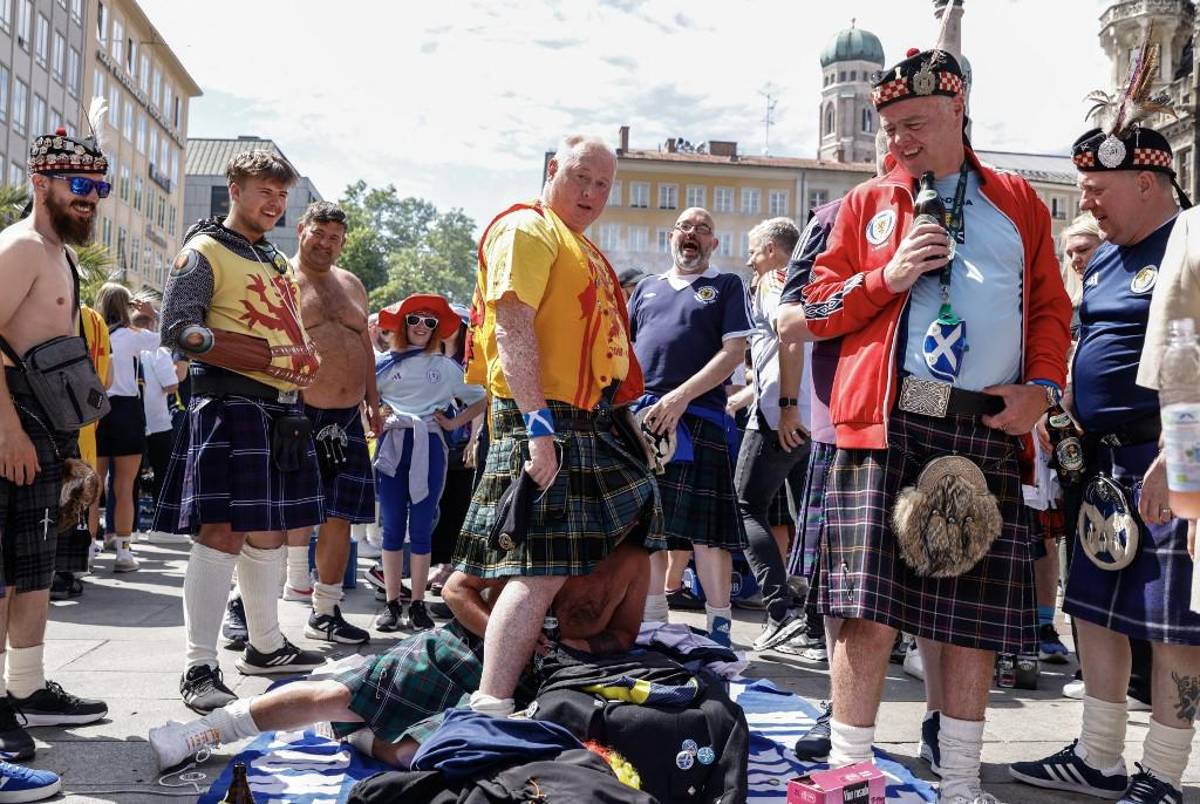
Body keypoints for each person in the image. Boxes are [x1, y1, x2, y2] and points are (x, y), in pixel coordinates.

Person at [800, 48, 1071, 803]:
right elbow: (817, 311)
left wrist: (1043, 388)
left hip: (983, 425)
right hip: (887, 421)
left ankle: (958, 783)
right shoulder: (862, 206)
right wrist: (884, 279)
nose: (899, 141)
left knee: (967, 623)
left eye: (915, 123)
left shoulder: (1018, 203)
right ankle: (851, 776)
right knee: (865, 612)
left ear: (958, 111)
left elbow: (1051, 308)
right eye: (889, 126)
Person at [1010, 115, 1200, 802]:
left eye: (1096, 188)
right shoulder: (1112, 254)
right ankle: (1098, 757)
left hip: (1170, 456)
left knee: (1175, 620)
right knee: (1093, 610)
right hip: (1098, 463)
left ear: (1145, 181)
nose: (1085, 201)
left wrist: (1179, 458)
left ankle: (1163, 773)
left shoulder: (1192, 240)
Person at [453, 134, 660, 717]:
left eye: (603, 185)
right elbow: (513, 327)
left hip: (588, 418)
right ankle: (490, 703)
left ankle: (549, 665)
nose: (591, 193)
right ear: (552, 170)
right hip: (542, 414)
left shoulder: (581, 247)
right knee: (536, 568)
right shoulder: (527, 229)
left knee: (629, 527)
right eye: (580, 177)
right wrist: (537, 427)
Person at [148, 535, 651, 771]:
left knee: (421, 757)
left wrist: (572, 645)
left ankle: (358, 734)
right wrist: (510, 630)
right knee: (332, 696)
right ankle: (204, 732)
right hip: (460, 650)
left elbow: (625, 634)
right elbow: (456, 590)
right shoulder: (536, 525)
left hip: (533, 684)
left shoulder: (633, 559)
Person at [155, 149, 325, 713]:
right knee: (221, 533)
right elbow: (178, 328)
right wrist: (257, 352)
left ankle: (266, 646)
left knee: (269, 531)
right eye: (264, 192)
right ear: (235, 188)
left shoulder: (274, 259)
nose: (274, 204)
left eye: (281, 195)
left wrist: (299, 359)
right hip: (229, 402)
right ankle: (199, 665)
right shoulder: (203, 251)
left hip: (277, 409)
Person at [0, 125, 118, 796]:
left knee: (35, 566)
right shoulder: (19, 247)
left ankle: (27, 688)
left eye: (99, 188)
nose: (92, 199)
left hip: (47, 424)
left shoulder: (58, 254)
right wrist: (7, 429)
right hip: (10, 421)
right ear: (40, 182)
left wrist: (70, 450)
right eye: (81, 186)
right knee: (2, 574)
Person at [630, 206, 752, 647]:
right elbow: (626, 355)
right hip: (644, 422)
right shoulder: (645, 289)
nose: (693, 234)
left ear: (714, 244)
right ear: (671, 237)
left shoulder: (726, 286)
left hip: (698, 419)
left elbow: (734, 353)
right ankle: (651, 624)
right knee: (648, 531)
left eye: (703, 229)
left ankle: (720, 629)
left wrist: (681, 398)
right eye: (685, 227)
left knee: (709, 534)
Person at [280, 201, 379, 646]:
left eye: (335, 237)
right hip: (299, 410)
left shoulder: (352, 283)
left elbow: (366, 348)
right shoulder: (280, 278)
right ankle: (248, 604)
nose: (325, 243)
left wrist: (374, 402)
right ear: (301, 229)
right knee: (276, 508)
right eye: (318, 233)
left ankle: (325, 609)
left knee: (342, 515)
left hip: (348, 416)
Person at [372, 293, 485, 632]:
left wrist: (452, 424)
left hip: (430, 447)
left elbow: (482, 398)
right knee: (391, 527)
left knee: (422, 528)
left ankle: (418, 604)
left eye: (429, 322)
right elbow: (364, 398)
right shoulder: (382, 365)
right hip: (393, 447)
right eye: (415, 319)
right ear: (403, 324)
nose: (421, 326)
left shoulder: (445, 368)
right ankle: (393, 603)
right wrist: (375, 415)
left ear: (437, 329)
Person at [734, 216, 812, 652]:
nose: (749, 260)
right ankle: (816, 617)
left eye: (753, 250)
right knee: (811, 520)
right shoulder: (808, 280)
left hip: (781, 416)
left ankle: (780, 611)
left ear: (770, 249)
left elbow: (790, 339)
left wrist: (785, 407)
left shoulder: (772, 281)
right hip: (812, 418)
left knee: (745, 505)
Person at [93, 283, 158, 571]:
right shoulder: (131, 335)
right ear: (125, 307)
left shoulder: (90, 336)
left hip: (94, 410)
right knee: (124, 485)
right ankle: (123, 551)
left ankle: (86, 549)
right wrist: (152, 313)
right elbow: (167, 339)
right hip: (126, 410)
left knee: (92, 485)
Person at [132, 306, 181, 543]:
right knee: (163, 472)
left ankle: (128, 529)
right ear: (152, 326)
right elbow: (172, 384)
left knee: (129, 476)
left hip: (134, 418)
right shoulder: (158, 351)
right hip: (159, 422)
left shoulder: (126, 345)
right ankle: (160, 526)